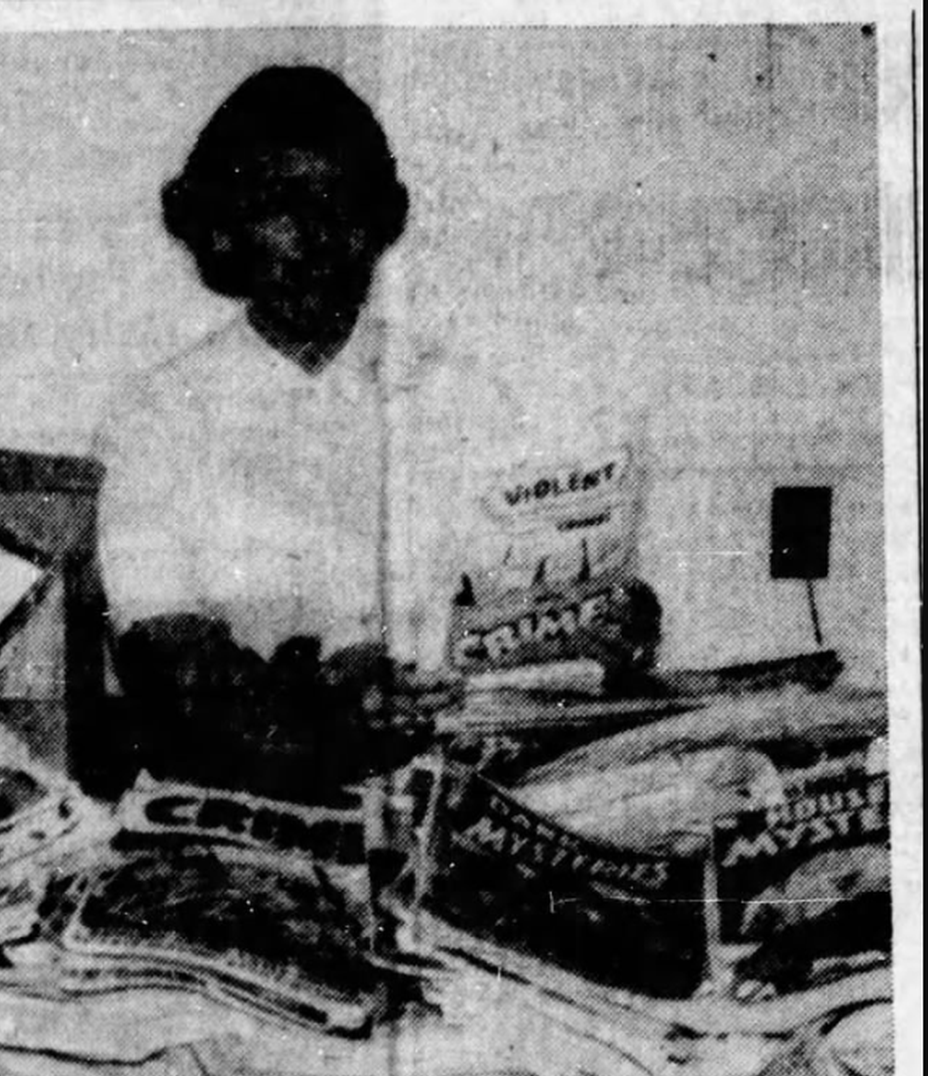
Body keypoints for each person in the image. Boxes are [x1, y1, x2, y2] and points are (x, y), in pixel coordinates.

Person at [97, 65, 658, 800]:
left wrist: (608, 621)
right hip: (259, 792)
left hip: (465, 785)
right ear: (223, 226)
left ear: (379, 223)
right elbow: (177, 672)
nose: (318, 237)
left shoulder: (463, 395)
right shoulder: (159, 417)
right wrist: (329, 713)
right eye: (280, 205)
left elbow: (530, 604)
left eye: (344, 205)